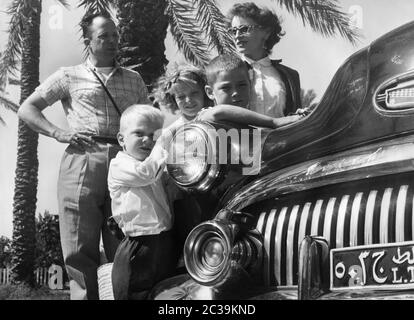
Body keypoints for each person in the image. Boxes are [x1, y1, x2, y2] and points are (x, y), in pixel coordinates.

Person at [17, 12, 150, 300]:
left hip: (124, 163)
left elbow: (148, 120)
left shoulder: (134, 79)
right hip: (81, 159)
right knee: (79, 245)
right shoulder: (68, 75)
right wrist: (58, 132)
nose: (113, 41)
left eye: (115, 35)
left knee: (125, 242)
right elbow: (28, 108)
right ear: (88, 41)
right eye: (104, 36)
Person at [108, 104, 177, 300]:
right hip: (138, 245)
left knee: (163, 295)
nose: (148, 140)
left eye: (153, 135)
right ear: (122, 139)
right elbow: (145, 174)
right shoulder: (120, 164)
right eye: (139, 133)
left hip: (164, 241)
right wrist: (163, 142)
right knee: (134, 292)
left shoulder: (156, 164)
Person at [226, 2, 302, 117]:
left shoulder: (290, 76)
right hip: (241, 135)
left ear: (266, 32)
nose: (237, 36)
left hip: (280, 135)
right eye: (233, 31)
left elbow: (294, 116)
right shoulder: (226, 72)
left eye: (244, 29)